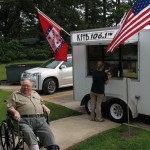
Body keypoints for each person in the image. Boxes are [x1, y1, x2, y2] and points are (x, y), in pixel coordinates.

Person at [7, 79, 58, 150]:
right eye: (24, 85)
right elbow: (10, 107)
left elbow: (42, 103)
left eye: (27, 86)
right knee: (29, 134)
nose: (25, 87)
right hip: (25, 121)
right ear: (21, 86)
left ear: (31, 87)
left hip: (41, 121)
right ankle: (34, 148)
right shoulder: (15, 94)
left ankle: (52, 148)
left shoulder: (35, 93)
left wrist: (45, 108)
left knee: (48, 133)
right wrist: (15, 112)